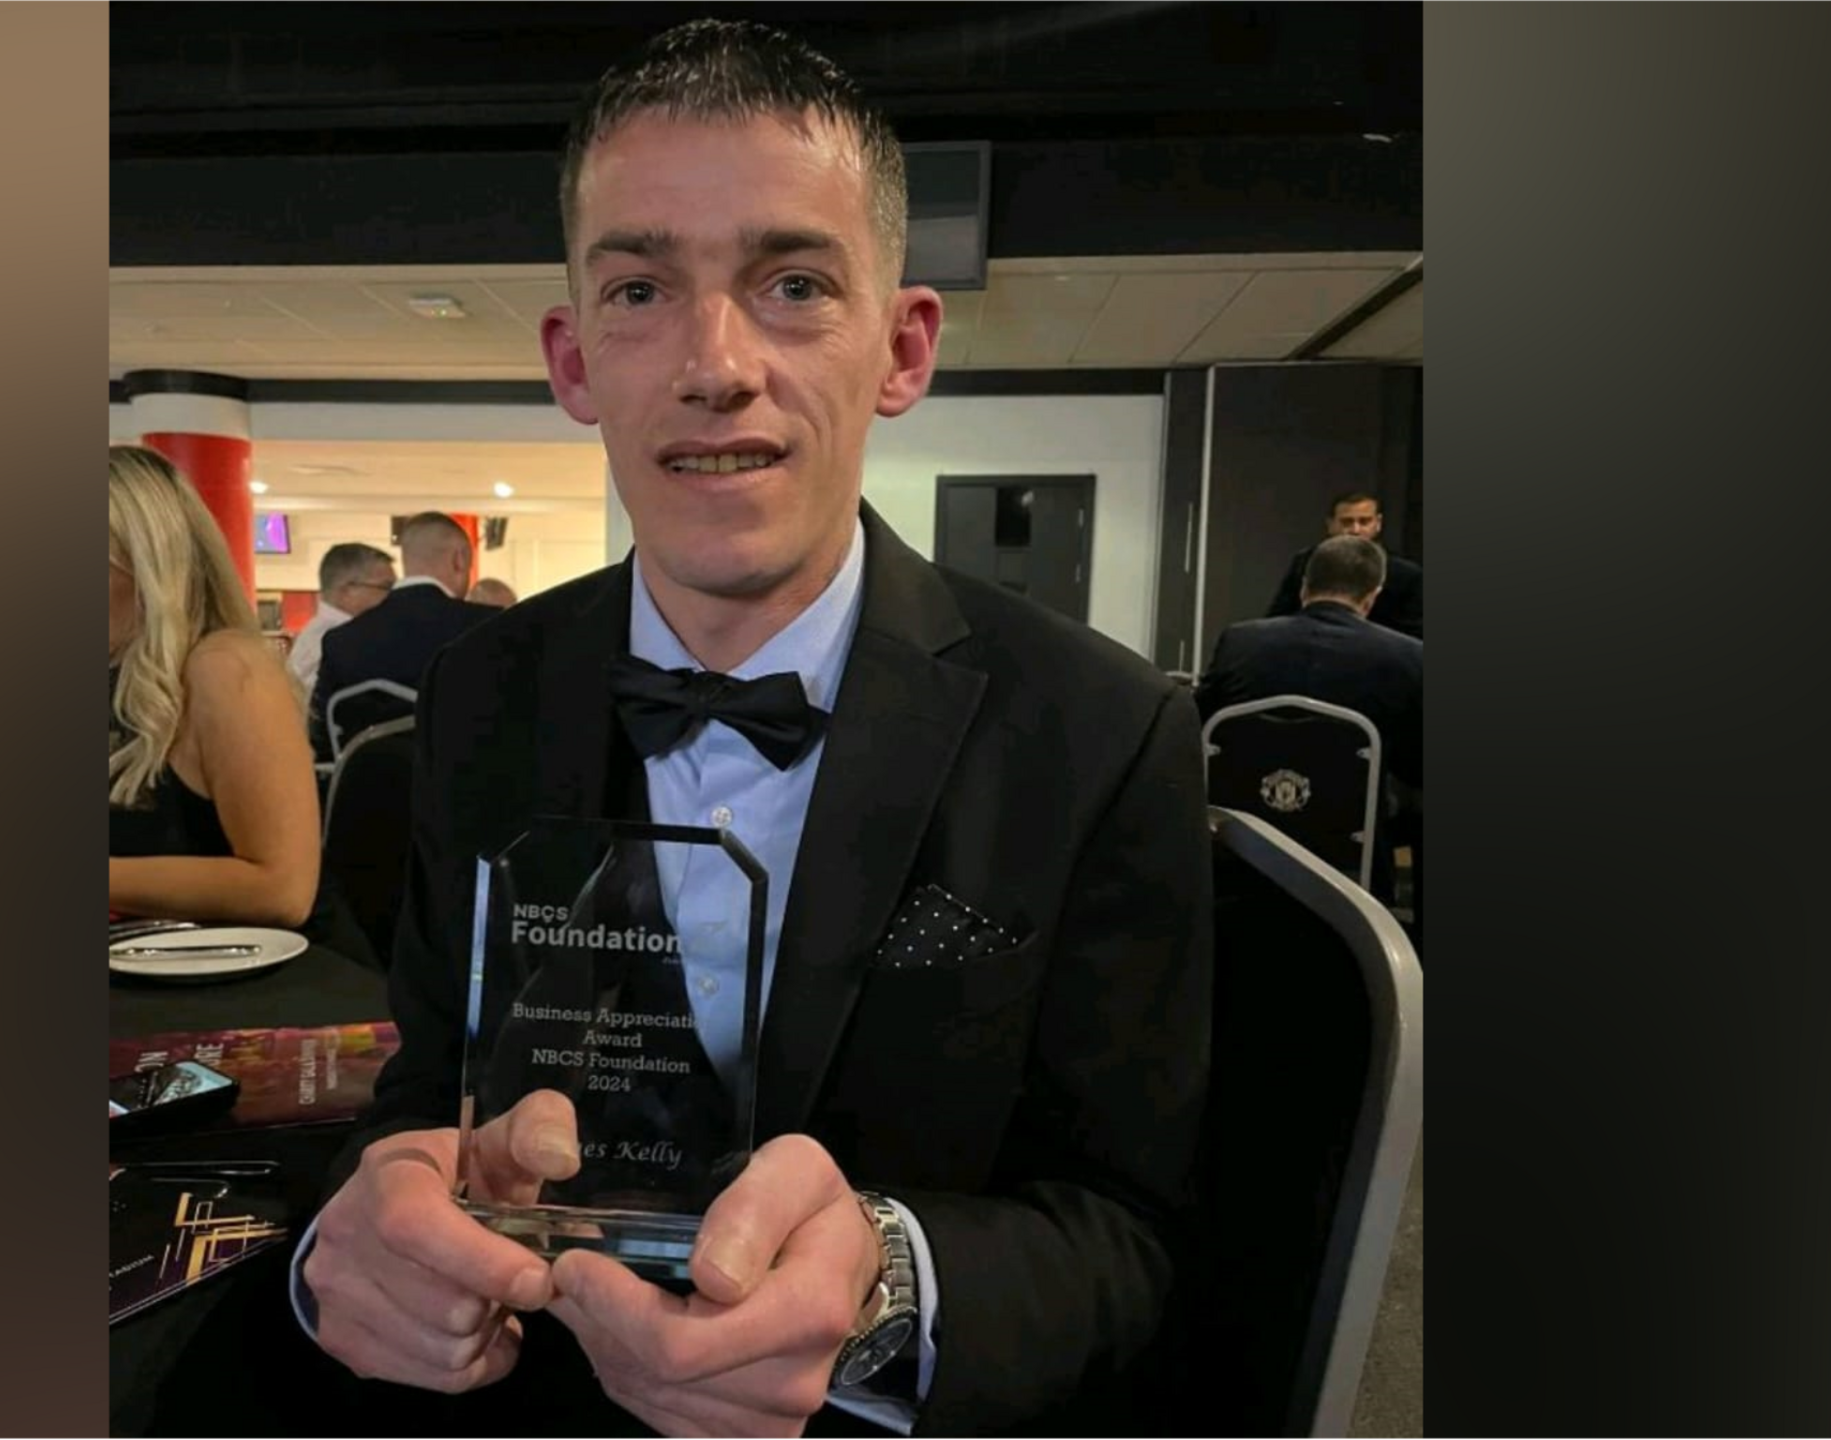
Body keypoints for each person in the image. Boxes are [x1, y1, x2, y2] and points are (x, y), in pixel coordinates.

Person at [158, 21, 1214, 1440]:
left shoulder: (1102, 729)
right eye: (643, 288)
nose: (715, 364)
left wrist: (883, 1293)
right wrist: (385, 1221)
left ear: (901, 347)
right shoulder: (480, 694)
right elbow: (421, 1084)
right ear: (576, 356)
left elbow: (1130, 1233)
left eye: (791, 283)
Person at [108, 445, 320, 929]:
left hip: (254, 984)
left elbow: (282, 890)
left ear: (145, 564)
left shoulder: (223, 667)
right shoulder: (119, 678)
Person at [1201, 534, 1422, 792]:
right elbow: (1415, 766)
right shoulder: (1407, 656)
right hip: (1353, 822)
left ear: (1304, 587)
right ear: (1372, 596)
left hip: (1242, 815)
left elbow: (1201, 725)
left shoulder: (1238, 641)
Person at [304, 513, 496, 755]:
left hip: (370, 786)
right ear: (460, 559)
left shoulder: (341, 641)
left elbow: (321, 738)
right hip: (465, 784)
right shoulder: (488, 626)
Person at [1265, 490, 1422, 639]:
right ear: (1330, 524)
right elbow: (1280, 616)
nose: (1355, 530)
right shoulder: (1307, 563)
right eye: (1347, 522)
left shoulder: (1405, 574)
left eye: (1364, 521)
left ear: (1378, 523)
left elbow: (1414, 634)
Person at [286, 542, 397, 702]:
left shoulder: (319, 635)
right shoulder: (331, 642)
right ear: (347, 591)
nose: (394, 596)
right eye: (386, 587)